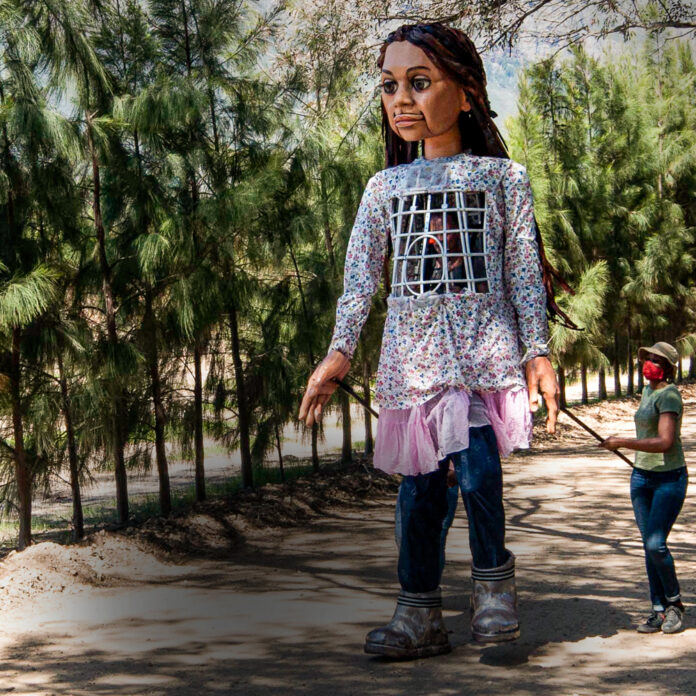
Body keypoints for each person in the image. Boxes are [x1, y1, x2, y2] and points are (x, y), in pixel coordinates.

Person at [299, 22, 560, 658]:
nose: (402, 100)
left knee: (478, 472)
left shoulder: (504, 179)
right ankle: (418, 614)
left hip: (482, 356)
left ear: (466, 94)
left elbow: (524, 273)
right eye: (390, 86)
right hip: (412, 363)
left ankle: (494, 588)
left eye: (419, 82)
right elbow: (361, 280)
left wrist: (537, 350)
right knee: (418, 491)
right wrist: (340, 351)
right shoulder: (383, 188)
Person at [600, 341, 687, 634]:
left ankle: (674, 604)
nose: (649, 364)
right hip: (641, 478)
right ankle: (658, 609)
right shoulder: (647, 391)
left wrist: (622, 442)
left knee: (655, 544)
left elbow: (665, 442)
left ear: (668, 368)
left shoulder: (669, 395)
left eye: (656, 360)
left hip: (669, 479)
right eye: (647, 358)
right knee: (648, 546)